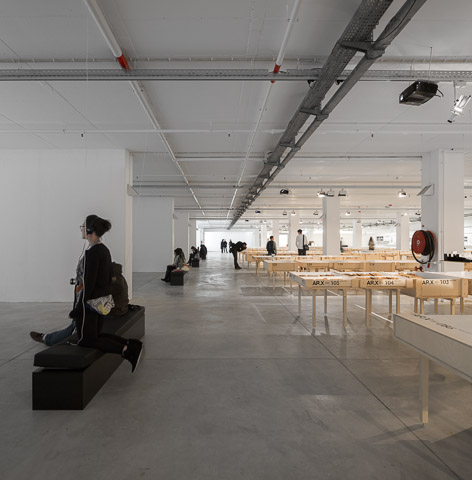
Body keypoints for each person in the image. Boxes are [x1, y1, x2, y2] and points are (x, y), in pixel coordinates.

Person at [64, 215, 142, 372]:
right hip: (100, 302)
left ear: (90, 230)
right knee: (96, 335)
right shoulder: (103, 250)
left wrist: (79, 308)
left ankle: (127, 350)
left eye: (83, 226)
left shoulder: (93, 253)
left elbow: (89, 283)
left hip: (90, 304)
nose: (81, 229)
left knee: (86, 340)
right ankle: (131, 344)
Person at [30, 262, 130, 346]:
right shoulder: (115, 276)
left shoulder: (113, 280)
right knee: (80, 314)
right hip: (117, 309)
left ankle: (47, 338)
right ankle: (69, 331)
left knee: (80, 317)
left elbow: (100, 296)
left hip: (113, 312)